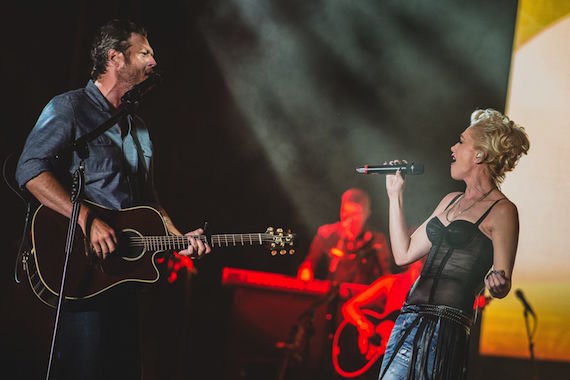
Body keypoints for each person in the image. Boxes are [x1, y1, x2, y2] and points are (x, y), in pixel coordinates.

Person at [15, 19, 210, 379]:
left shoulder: (139, 128)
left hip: (123, 276)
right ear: (115, 58)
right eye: (144, 53)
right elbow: (29, 170)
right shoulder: (69, 108)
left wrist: (177, 236)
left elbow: (149, 200)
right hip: (79, 272)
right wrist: (87, 219)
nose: (153, 61)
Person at [378, 109, 529, 379]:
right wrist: (395, 196)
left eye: (461, 142)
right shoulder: (450, 201)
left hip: (446, 329)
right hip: (408, 319)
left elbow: (502, 281)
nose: (453, 147)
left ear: (479, 154)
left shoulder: (502, 210)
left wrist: (499, 283)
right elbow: (404, 253)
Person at [297, 188, 393, 285]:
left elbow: (385, 275)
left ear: (366, 214)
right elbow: (309, 263)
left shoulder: (376, 240)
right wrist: (305, 276)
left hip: (362, 296)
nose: (349, 220)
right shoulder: (326, 234)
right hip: (330, 294)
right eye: (345, 213)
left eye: (355, 215)